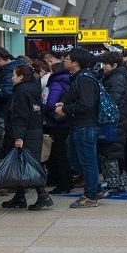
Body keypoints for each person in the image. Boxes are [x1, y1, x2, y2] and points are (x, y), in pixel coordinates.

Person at [1, 64, 53, 211]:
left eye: (14, 75)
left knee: (29, 164)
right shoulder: (34, 88)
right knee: (25, 163)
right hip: (35, 130)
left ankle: (43, 196)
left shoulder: (21, 92)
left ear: (21, 77)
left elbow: (20, 115)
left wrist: (18, 137)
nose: (12, 78)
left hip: (25, 133)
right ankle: (20, 196)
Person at [55, 48, 100, 208]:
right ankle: (95, 188)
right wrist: (65, 104)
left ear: (75, 62)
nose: (64, 61)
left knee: (87, 162)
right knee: (75, 159)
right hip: (79, 126)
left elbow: (86, 104)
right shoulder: (78, 78)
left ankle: (90, 196)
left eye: (67, 58)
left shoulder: (84, 79)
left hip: (86, 126)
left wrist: (65, 109)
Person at [98, 51, 127, 197]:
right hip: (118, 119)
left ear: (114, 64)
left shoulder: (117, 78)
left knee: (110, 151)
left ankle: (115, 184)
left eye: (105, 64)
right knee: (110, 151)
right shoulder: (118, 75)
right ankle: (115, 182)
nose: (103, 67)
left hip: (114, 120)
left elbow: (113, 101)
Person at [43, 62, 73, 194]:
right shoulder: (71, 81)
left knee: (58, 154)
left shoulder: (56, 83)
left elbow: (50, 104)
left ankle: (62, 183)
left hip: (56, 123)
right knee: (64, 154)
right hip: (68, 122)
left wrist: (41, 108)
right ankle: (66, 181)